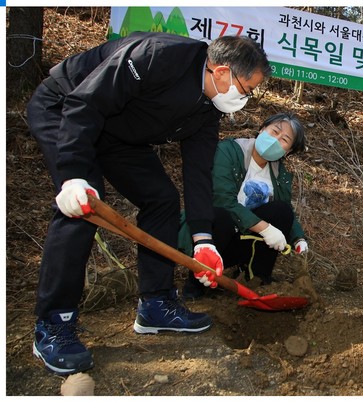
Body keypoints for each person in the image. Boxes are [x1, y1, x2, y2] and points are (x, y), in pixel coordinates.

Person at [26, 31, 271, 375]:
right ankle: (53, 322)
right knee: (84, 208)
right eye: (246, 89)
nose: (245, 98)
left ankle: (155, 303)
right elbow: (87, 103)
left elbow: (198, 170)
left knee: (162, 199)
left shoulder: (208, 107)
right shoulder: (158, 56)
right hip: (68, 108)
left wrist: (203, 240)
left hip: (120, 134)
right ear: (221, 71)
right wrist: (73, 174)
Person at [179, 113, 308, 298]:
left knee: (281, 211)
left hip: (241, 240)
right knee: (221, 215)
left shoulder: (279, 174)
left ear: (287, 151)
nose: (275, 140)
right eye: (274, 131)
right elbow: (222, 200)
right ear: (262, 129)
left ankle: (257, 279)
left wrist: (298, 240)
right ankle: (195, 287)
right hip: (210, 235)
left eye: (284, 140)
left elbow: (286, 210)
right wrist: (265, 229)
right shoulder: (229, 151)